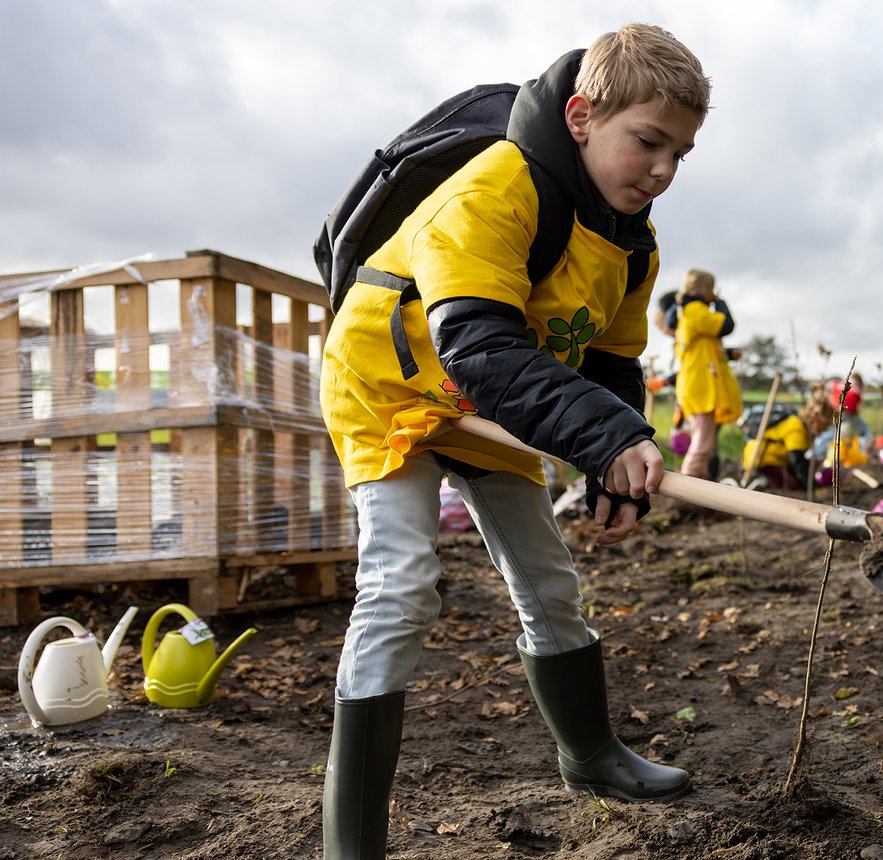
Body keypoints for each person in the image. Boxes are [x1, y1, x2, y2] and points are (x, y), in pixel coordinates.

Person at [317, 24, 710, 857]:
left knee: (548, 579)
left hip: (492, 403)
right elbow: (481, 345)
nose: (664, 170)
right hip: (391, 387)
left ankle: (592, 755)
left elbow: (609, 360)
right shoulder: (494, 188)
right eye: (648, 142)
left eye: (681, 152)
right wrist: (601, 439)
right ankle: (350, 838)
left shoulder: (632, 247)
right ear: (580, 117)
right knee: (401, 583)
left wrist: (614, 462)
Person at [672, 268, 742, 479]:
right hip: (699, 385)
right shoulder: (695, 311)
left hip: (697, 383)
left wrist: (728, 354)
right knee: (703, 441)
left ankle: (698, 480)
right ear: (706, 290)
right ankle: (689, 478)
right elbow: (726, 325)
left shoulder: (689, 313)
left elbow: (706, 350)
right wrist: (720, 303)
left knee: (704, 438)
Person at [737, 402, 811, 489]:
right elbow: (797, 458)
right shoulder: (796, 426)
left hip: (755, 456)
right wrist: (809, 484)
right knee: (792, 486)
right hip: (764, 459)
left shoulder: (791, 421)